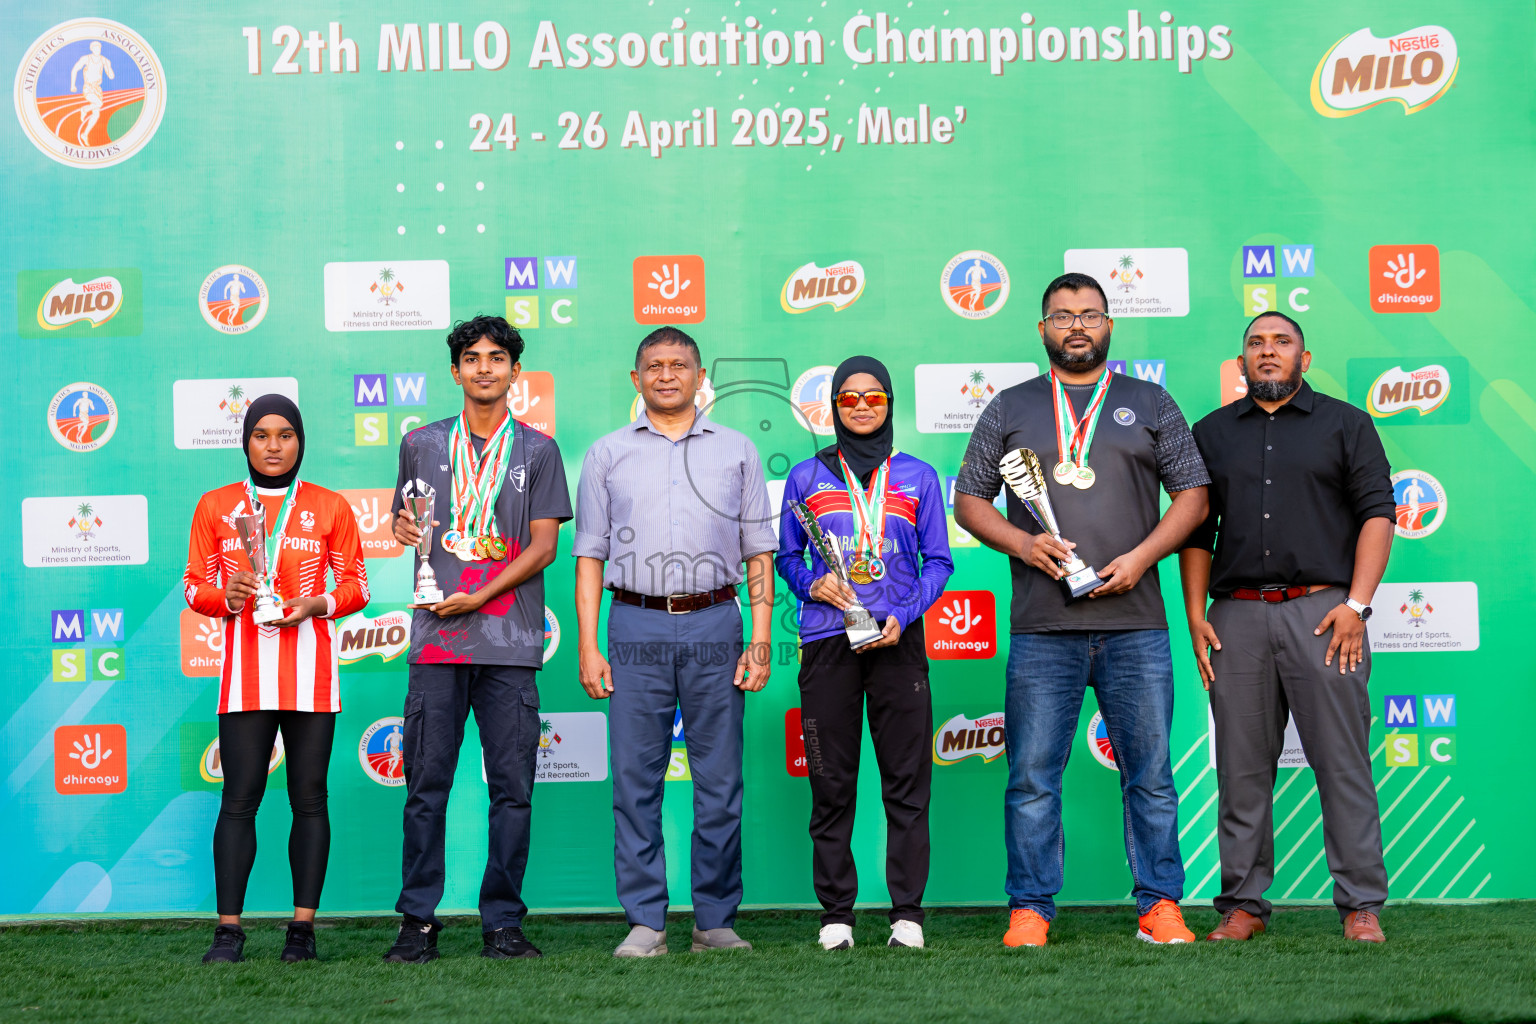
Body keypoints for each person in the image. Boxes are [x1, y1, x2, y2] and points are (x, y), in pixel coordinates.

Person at [953, 272, 1210, 947]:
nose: (1076, 326)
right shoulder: (1009, 407)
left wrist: (1142, 557)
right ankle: (1030, 909)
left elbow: (1192, 496)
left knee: (1150, 776)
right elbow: (970, 499)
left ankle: (1159, 905)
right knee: (1033, 778)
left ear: (1109, 327)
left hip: (1137, 625)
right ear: (1041, 329)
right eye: (1062, 316)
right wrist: (1023, 543)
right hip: (1045, 627)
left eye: (1090, 315)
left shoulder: (1150, 401)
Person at [1180, 311, 1394, 943]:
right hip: (1237, 617)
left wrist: (1356, 607)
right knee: (1241, 770)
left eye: (1281, 342)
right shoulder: (1211, 433)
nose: (1267, 352)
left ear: (1305, 357)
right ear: (1241, 360)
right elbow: (1197, 531)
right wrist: (1196, 615)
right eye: (1255, 343)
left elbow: (1378, 515)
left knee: (1343, 763)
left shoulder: (1347, 424)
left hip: (1326, 614)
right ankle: (1242, 904)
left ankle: (1360, 904)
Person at [573, 326, 776, 958]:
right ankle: (646, 922)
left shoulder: (737, 451)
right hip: (632, 623)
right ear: (636, 380)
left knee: (719, 779)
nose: (666, 374)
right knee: (635, 778)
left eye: (679, 364)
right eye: (654, 366)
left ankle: (714, 920)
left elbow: (758, 554)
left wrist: (761, 637)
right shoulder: (606, 455)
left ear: (698, 378)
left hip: (717, 622)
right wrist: (587, 644)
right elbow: (588, 557)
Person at [383, 315, 572, 963]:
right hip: (438, 641)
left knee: (512, 789)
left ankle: (503, 923)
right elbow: (405, 522)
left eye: (497, 357)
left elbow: (544, 546)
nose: (485, 367)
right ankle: (417, 921)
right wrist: (404, 533)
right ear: (455, 369)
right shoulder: (420, 443)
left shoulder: (539, 451)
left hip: (511, 643)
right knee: (424, 786)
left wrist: (484, 594)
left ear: (516, 370)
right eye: (472, 357)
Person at [182, 394, 370, 963]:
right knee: (238, 801)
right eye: (261, 434)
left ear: (300, 440)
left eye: (284, 434)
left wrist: (317, 604)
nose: (272, 445)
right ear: (245, 441)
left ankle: (302, 930)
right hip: (244, 680)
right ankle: (228, 931)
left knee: (310, 800)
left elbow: (357, 587)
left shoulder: (330, 506)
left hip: (311, 679)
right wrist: (227, 595)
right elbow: (194, 586)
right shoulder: (216, 506)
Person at [776, 357, 953, 951]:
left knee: (907, 784)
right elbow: (786, 557)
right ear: (833, 407)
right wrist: (809, 585)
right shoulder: (807, 477)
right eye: (848, 399)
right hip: (829, 642)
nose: (860, 408)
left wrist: (904, 614)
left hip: (897, 643)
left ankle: (907, 914)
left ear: (889, 403)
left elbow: (941, 562)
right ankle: (836, 917)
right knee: (831, 784)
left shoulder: (919, 476)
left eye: (872, 398)